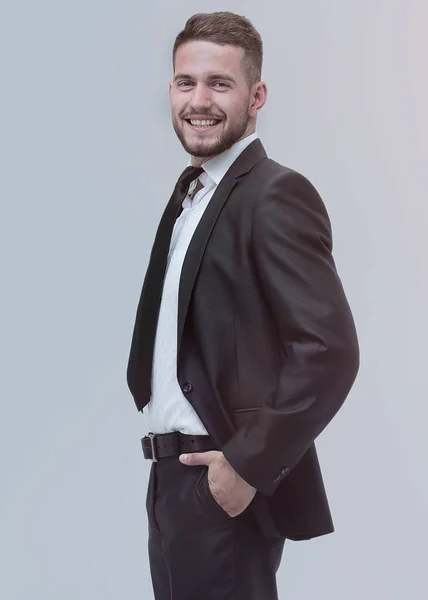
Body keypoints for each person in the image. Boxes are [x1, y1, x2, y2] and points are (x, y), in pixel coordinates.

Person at [126, 10, 359, 600]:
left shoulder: (275, 193)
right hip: (170, 483)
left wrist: (245, 468)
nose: (198, 100)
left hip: (222, 486)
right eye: (186, 82)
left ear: (256, 97)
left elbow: (328, 351)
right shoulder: (193, 194)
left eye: (219, 84)